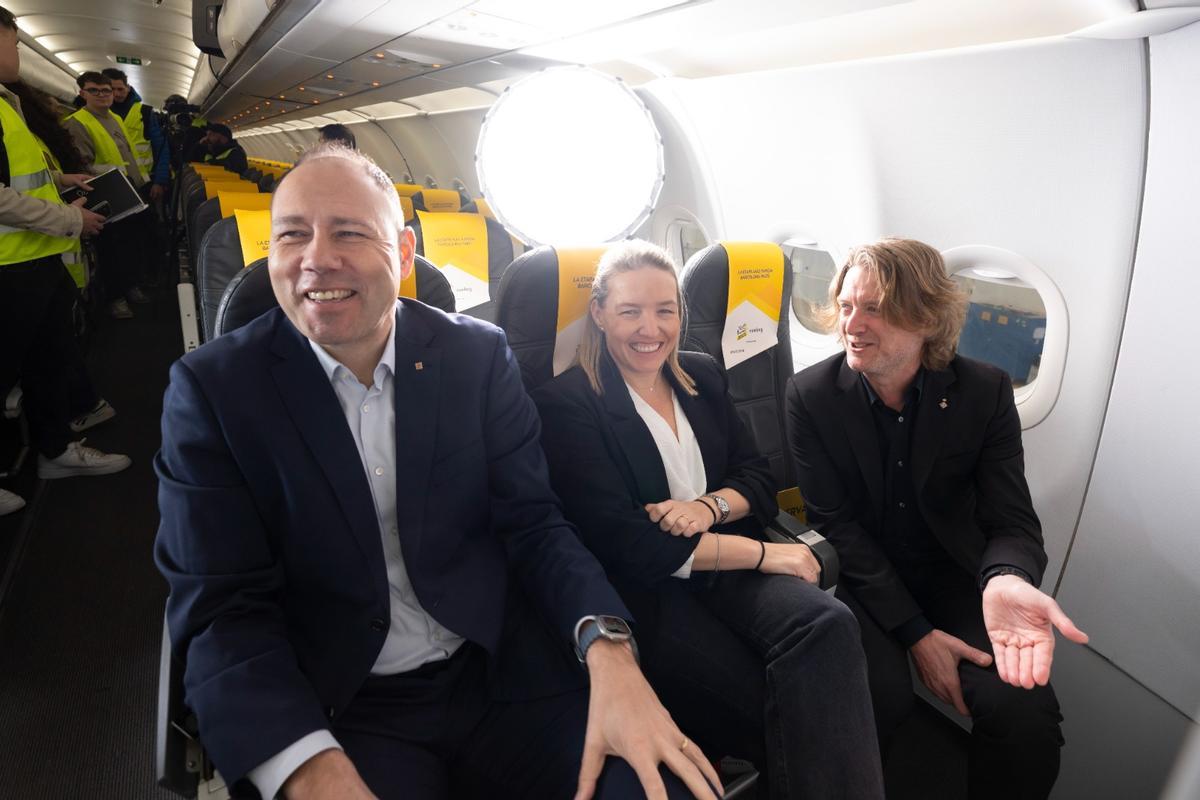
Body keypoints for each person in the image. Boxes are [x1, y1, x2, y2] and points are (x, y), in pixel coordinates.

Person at [154, 143, 722, 800]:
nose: (316, 257)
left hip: (499, 677)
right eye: (293, 235)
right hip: (342, 707)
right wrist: (307, 767)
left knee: (662, 788)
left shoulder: (474, 356)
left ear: (401, 252)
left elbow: (535, 526)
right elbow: (223, 608)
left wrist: (608, 647)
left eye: (348, 232)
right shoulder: (213, 391)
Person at [532, 240, 885, 799]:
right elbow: (634, 547)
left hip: (726, 570)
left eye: (665, 310)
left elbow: (757, 480)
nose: (651, 328)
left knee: (830, 624)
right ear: (598, 314)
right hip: (655, 593)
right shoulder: (568, 404)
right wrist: (768, 554)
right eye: (630, 311)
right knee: (776, 706)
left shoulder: (700, 375)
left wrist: (707, 508)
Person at [785, 237, 1090, 799]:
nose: (853, 323)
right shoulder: (813, 395)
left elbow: (1012, 520)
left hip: (954, 579)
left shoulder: (984, 392)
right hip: (862, 582)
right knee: (874, 700)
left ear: (925, 317)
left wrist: (1006, 579)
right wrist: (916, 635)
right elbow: (836, 524)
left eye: (874, 307)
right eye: (848, 305)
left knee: (1025, 715)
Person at [0, 9, 129, 517]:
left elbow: (21, 181)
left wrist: (64, 185)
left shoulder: (7, 104)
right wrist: (70, 222)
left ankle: (54, 452)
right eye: (13, 43)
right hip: (8, 266)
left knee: (48, 362)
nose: (16, 54)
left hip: (36, 259)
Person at [63, 70, 153, 318]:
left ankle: (130, 286)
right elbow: (81, 164)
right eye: (95, 90)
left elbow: (129, 155)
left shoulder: (114, 118)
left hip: (129, 190)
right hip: (106, 195)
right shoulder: (77, 122)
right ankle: (116, 297)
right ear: (82, 93)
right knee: (112, 249)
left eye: (106, 91)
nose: (102, 95)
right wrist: (115, 173)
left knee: (131, 244)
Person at [102, 67, 170, 205]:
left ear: (128, 87)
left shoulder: (144, 112)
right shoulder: (99, 113)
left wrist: (159, 181)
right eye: (112, 89)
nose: (116, 94)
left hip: (144, 181)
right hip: (111, 180)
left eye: (120, 89)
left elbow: (161, 148)